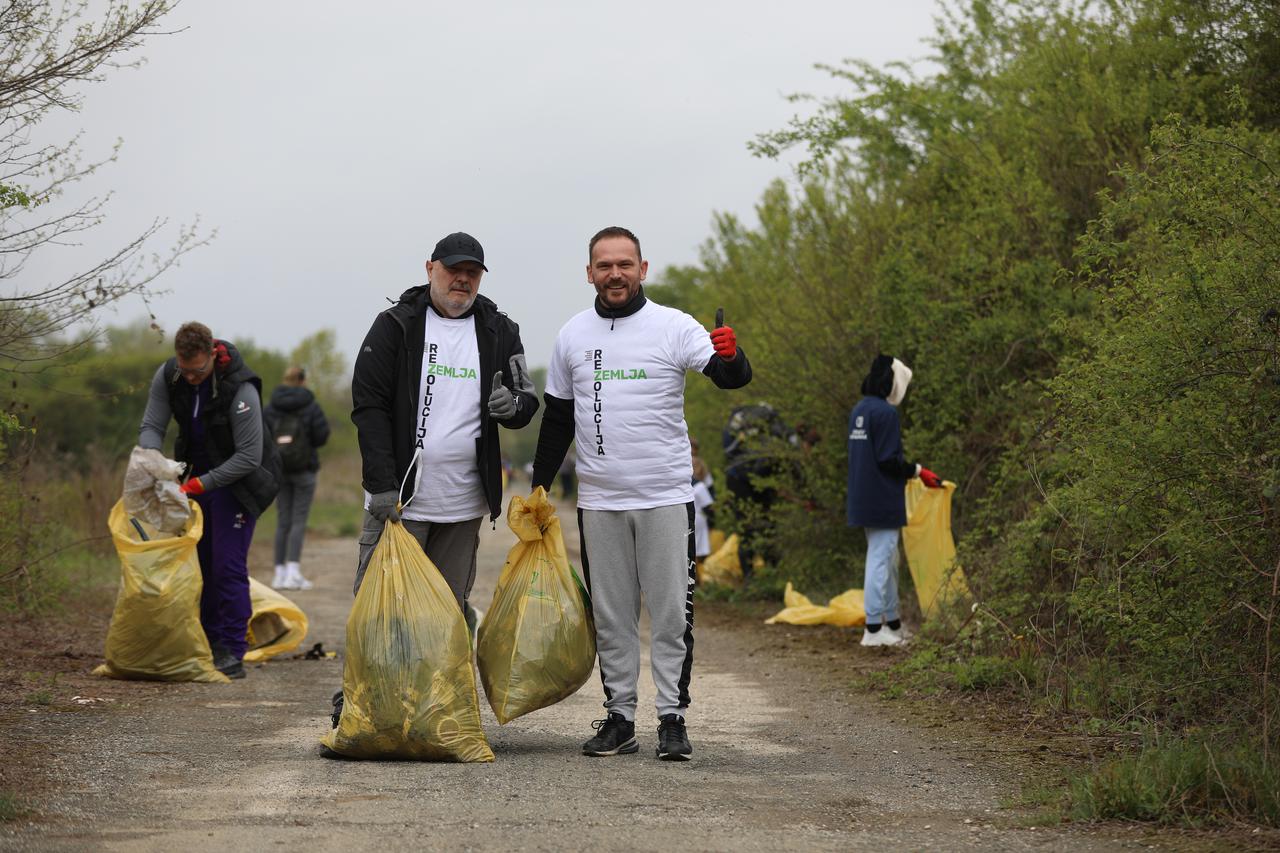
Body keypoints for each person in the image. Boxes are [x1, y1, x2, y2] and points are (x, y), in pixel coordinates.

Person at [532, 226, 752, 761]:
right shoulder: (572, 335)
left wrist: (733, 356)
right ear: (590, 272)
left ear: (642, 269)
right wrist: (539, 485)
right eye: (605, 265)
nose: (615, 274)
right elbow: (557, 418)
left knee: (672, 615)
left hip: (664, 496)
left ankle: (672, 719)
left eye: (625, 264)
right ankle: (620, 718)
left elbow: (730, 378)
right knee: (612, 617)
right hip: (600, 502)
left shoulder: (674, 326)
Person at [337, 231, 538, 725]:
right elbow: (368, 407)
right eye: (453, 270)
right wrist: (381, 484)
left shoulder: (500, 330)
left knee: (445, 614)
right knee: (382, 611)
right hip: (400, 502)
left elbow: (526, 398)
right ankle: (362, 710)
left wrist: (512, 406)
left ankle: (431, 713)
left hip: (463, 504)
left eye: (472, 272)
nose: (462, 280)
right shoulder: (395, 326)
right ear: (431, 269)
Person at [137, 322, 280, 679]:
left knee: (226, 566)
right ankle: (207, 641)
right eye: (185, 370)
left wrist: (198, 485)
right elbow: (152, 426)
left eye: (198, 372)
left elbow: (248, 457)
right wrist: (154, 461)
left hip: (240, 481)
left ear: (213, 356)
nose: (191, 378)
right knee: (200, 566)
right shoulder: (170, 376)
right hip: (195, 477)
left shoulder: (240, 387)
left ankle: (231, 649)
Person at [846, 354, 943, 647]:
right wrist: (918, 471)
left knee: (888, 559)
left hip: (863, 495)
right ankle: (874, 630)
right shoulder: (885, 413)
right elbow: (889, 460)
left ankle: (893, 624)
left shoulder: (860, 410)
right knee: (881, 559)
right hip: (882, 497)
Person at [264, 365, 331, 590]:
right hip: (304, 469)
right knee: (298, 521)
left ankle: (279, 574)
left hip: (279, 470)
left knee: (283, 520)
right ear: (302, 380)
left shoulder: (272, 406)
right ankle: (293, 572)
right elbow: (321, 436)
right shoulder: (310, 405)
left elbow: (262, 435)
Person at [690, 438, 715, 569]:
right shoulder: (699, 486)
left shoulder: (699, 484)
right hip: (697, 515)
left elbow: (711, 491)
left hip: (691, 513)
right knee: (697, 550)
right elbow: (709, 506)